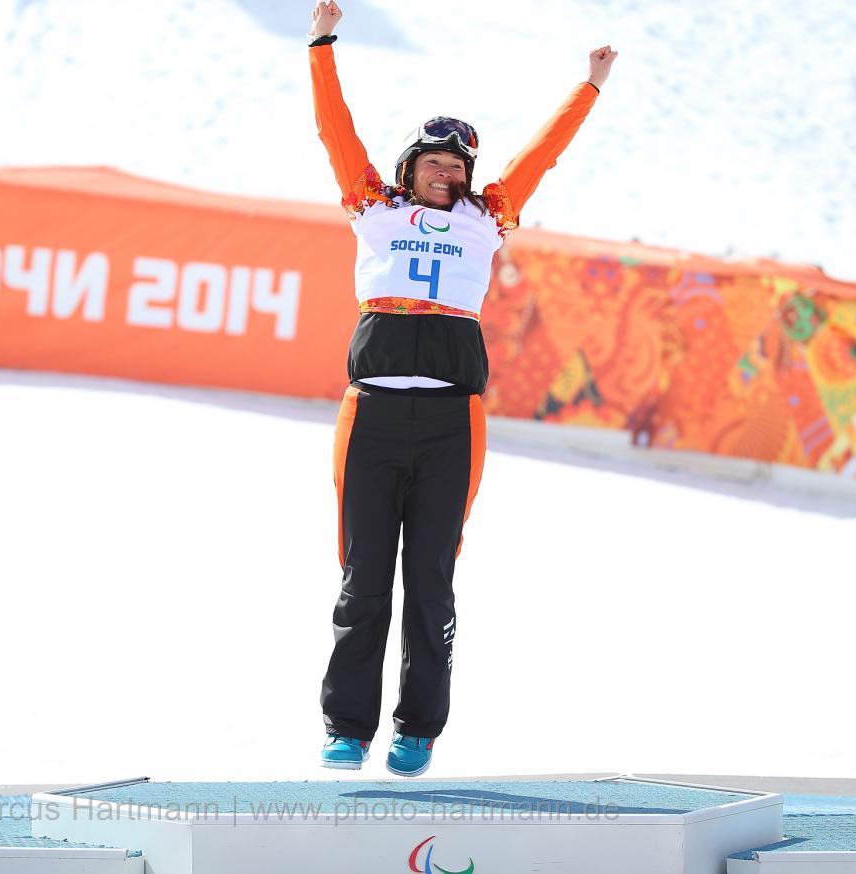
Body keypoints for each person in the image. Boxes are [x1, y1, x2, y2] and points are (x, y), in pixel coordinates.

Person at [308, 1, 617, 775]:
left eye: (459, 168)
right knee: (362, 578)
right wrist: (322, 45)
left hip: (453, 422)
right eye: (435, 164)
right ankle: (347, 727)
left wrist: (589, 88)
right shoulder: (373, 209)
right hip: (371, 413)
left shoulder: (489, 218)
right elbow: (334, 132)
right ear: (409, 168)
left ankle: (418, 729)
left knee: (431, 585)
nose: (448, 175)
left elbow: (542, 158)